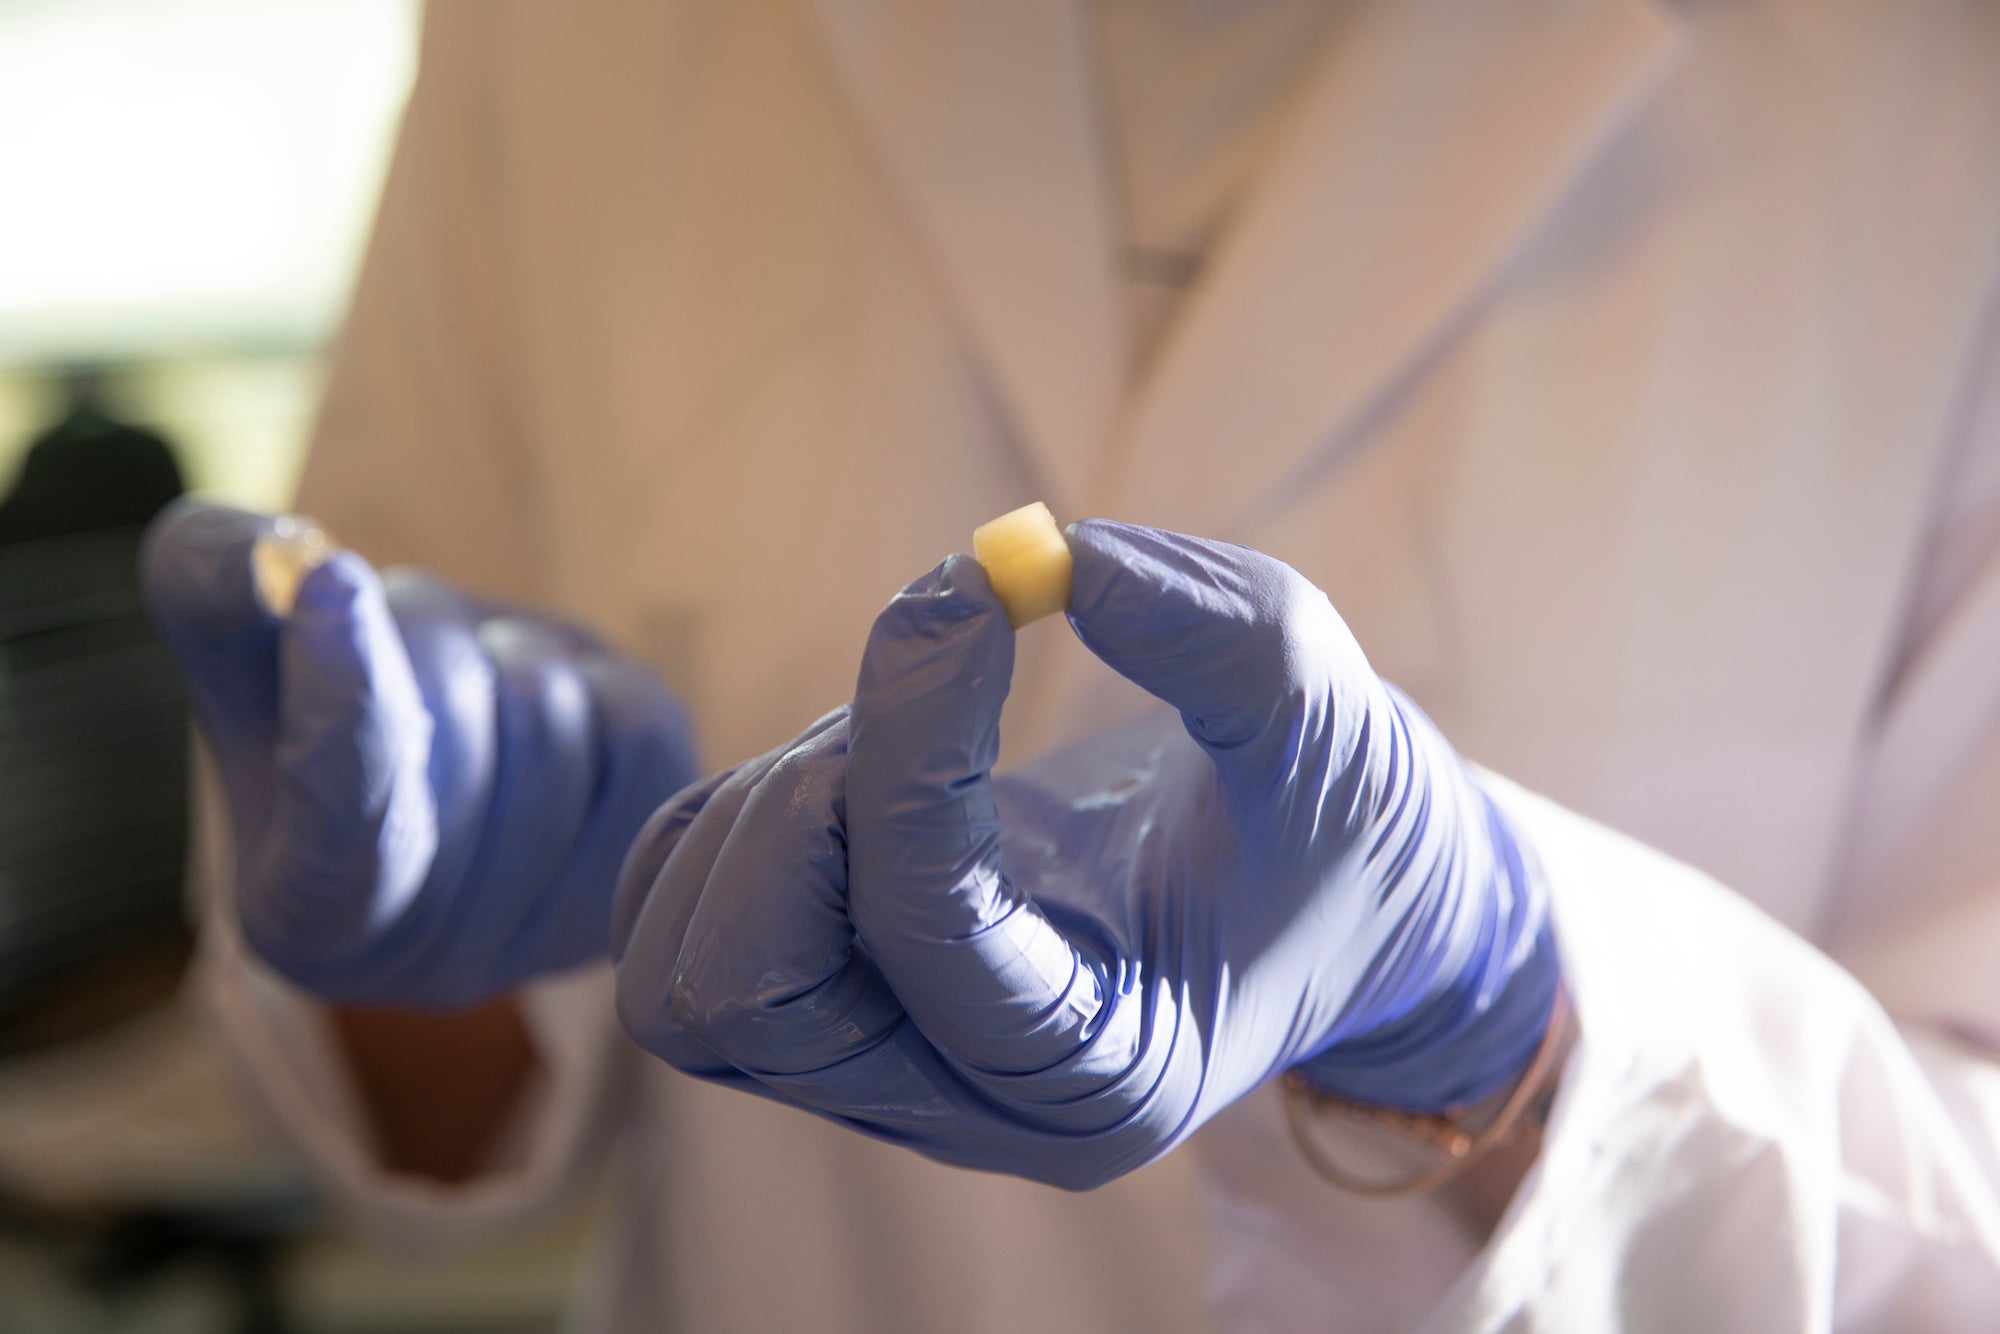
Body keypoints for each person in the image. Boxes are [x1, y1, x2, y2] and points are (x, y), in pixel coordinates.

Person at [142, 0, 2000, 1328]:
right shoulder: (562, 43)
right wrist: (453, 925)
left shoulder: (1938, 86)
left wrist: (1510, 1016)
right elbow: (424, 1122)